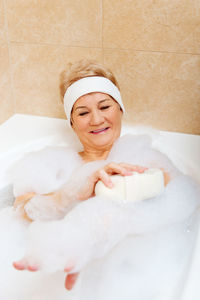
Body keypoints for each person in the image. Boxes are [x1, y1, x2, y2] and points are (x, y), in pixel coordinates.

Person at [2, 59, 199, 299]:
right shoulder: (48, 168)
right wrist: (67, 196)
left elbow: (181, 201)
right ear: (72, 123)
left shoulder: (146, 161)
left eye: (105, 107)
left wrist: (102, 225)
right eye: (83, 112)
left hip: (130, 277)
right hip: (55, 278)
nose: (96, 120)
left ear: (120, 109)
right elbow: (20, 210)